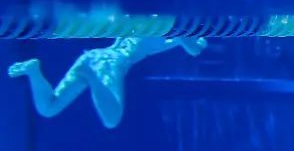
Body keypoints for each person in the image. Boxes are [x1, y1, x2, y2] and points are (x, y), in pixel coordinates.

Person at [7, 36, 207, 129]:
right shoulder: (173, 28)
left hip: (94, 56)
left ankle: (34, 72)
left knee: (48, 108)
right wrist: (200, 42)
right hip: (111, 63)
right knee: (112, 119)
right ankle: (93, 78)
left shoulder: (147, 23)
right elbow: (193, 49)